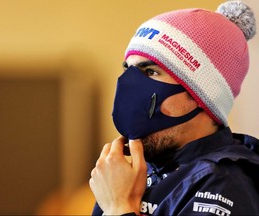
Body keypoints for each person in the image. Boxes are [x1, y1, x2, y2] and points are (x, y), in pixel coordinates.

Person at [89, 0, 259, 215]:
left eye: (151, 72)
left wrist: (118, 208)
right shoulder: (136, 173)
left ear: (203, 95)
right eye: (128, 70)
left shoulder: (222, 186)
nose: (130, 89)